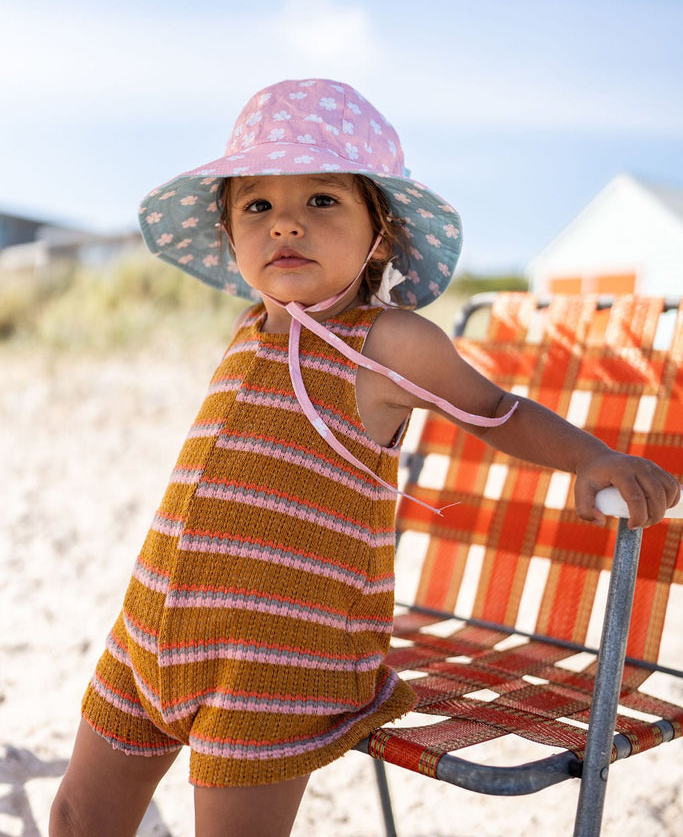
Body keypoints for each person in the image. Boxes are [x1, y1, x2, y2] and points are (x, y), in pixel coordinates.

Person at [50, 78, 679, 837]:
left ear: (378, 233)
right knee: (79, 815)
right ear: (230, 236)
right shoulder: (252, 326)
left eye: (320, 201)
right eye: (258, 206)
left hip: (276, 655)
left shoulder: (388, 343)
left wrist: (588, 456)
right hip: (149, 629)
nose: (285, 225)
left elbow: (496, 411)